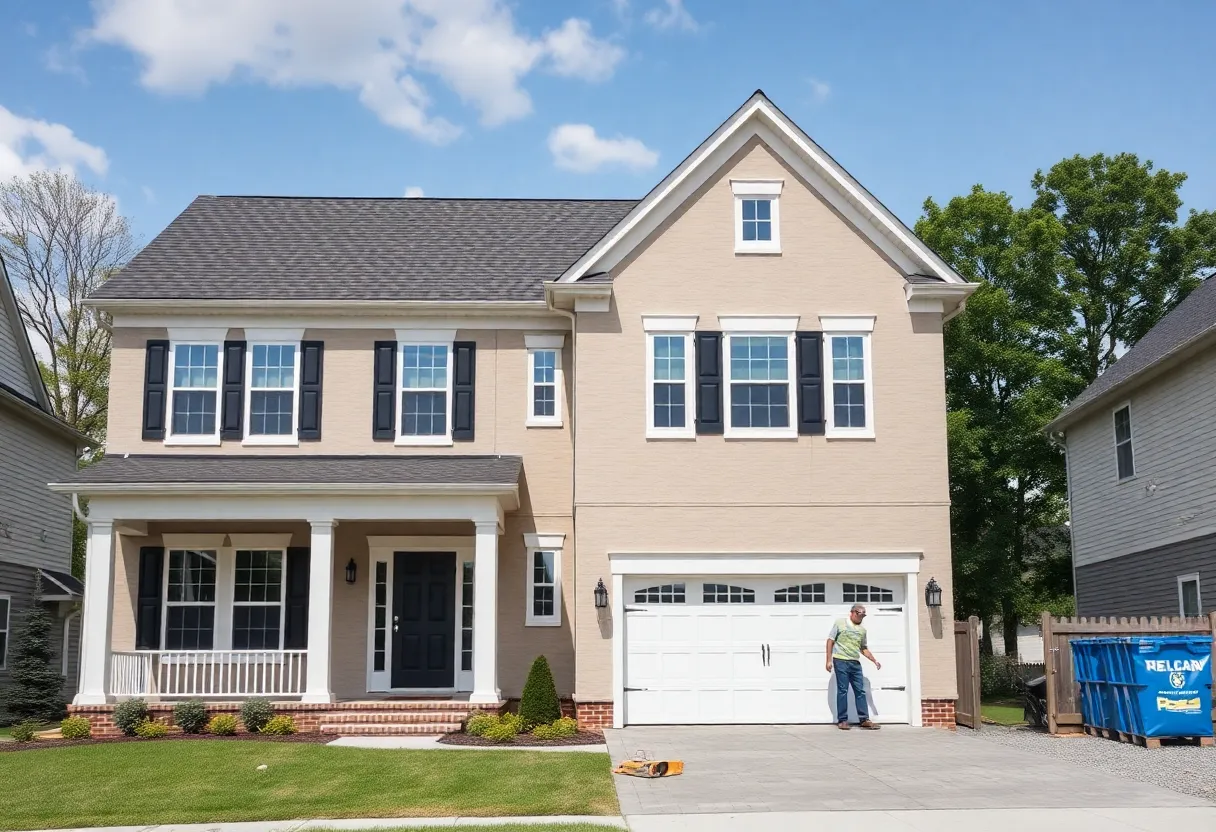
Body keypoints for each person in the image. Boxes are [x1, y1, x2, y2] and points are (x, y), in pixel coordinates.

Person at [825, 604, 881, 730]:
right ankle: (842, 720)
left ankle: (864, 719)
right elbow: (830, 641)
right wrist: (828, 660)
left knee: (860, 691)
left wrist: (874, 660)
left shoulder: (862, 630)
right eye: (859, 614)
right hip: (840, 660)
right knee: (843, 690)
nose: (861, 617)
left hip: (855, 663)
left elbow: (863, 648)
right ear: (852, 613)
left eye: (863, 615)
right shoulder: (840, 623)